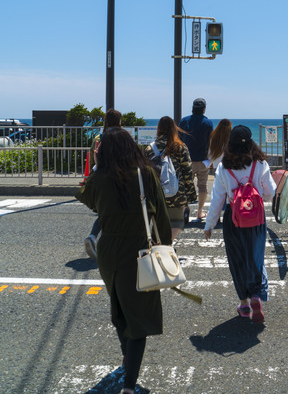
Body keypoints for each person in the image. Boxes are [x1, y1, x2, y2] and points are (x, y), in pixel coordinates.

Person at [76, 128, 172, 394]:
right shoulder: (146, 174)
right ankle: (130, 384)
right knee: (138, 315)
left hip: (108, 251)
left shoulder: (102, 178)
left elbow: (86, 198)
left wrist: (96, 166)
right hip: (139, 250)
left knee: (118, 306)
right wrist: (164, 247)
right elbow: (161, 216)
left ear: (104, 152)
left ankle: (125, 355)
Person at [204, 126, 276, 323]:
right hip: (256, 218)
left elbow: (217, 199)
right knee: (256, 258)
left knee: (237, 260)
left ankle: (244, 304)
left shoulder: (223, 166)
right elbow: (270, 192)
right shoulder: (260, 164)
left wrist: (209, 225)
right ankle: (256, 296)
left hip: (233, 219)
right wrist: (260, 197)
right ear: (251, 142)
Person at [144, 116, 197, 240]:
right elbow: (187, 172)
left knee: (157, 224)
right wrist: (190, 194)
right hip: (176, 193)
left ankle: (157, 246)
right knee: (177, 222)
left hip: (156, 194)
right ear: (174, 129)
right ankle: (165, 245)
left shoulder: (150, 149)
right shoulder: (180, 147)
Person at [84, 108, 122, 260]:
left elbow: (93, 157)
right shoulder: (120, 136)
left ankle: (93, 237)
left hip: (98, 178)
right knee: (119, 210)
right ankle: (113, 245)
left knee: (103, 211)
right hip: (116, 178)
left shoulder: (99, 137)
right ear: (119, 121)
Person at [179, 98, 214, 221]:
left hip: (186, 161)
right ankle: (199, 212)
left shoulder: (184, 121)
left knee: (185, 186)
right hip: (203, 161)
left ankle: (185, 210)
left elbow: (179, 140)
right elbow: (211, 142)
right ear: (204, 109)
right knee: (202, 186)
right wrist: (211, 159)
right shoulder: (208, 123)